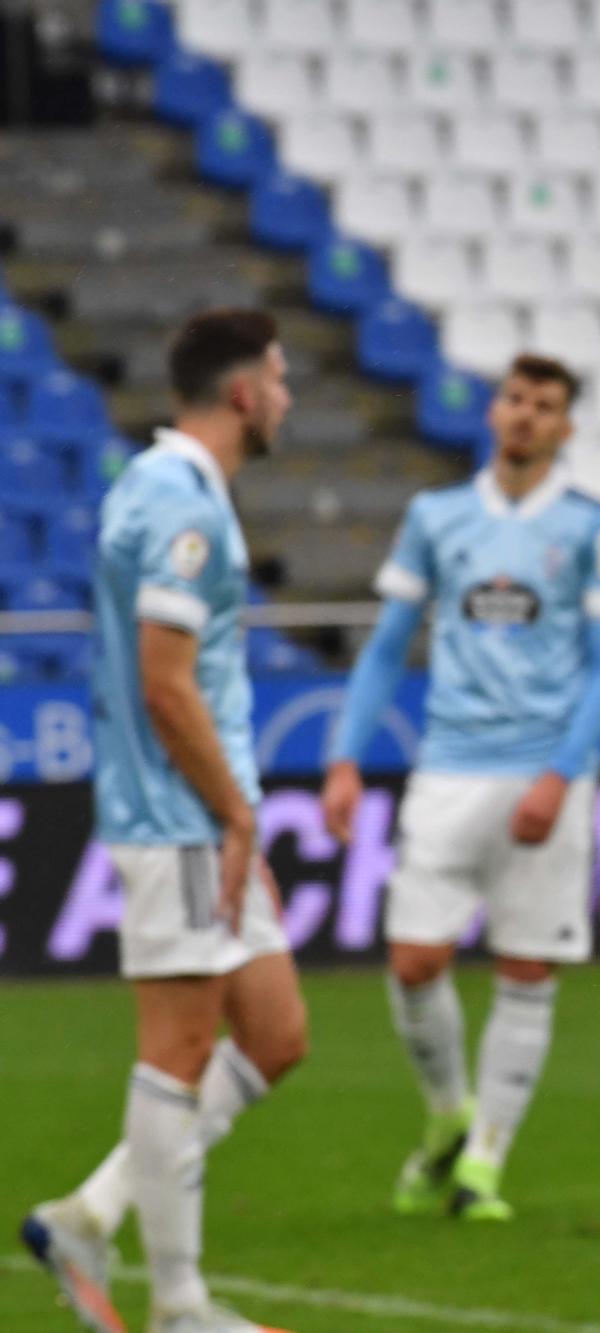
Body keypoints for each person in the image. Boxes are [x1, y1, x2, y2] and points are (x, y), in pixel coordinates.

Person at [21, 309, 307, 1333]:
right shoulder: (181, 501)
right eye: (275, 379)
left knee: (274, 1031)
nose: (283, 397)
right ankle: (182, 1308)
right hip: (181, 818)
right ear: (240, 393)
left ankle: (90, 1212)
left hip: (206, 816)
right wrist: (233, 816)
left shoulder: (172, 488)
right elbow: (165, 683)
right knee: (180, 1045)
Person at [320, 353, 600, 1223]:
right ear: (494, 412)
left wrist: (560, 774)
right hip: (449, 767)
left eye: (544, 404)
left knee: (526, 968)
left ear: (565, 426)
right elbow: (386, 646)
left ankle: (483, 1164)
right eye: (514, 399)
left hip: (545, 774)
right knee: (415, 959)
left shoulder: (591, 528)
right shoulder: (438, 516)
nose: (525, 415)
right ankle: (448, 1111)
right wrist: (346, 757)